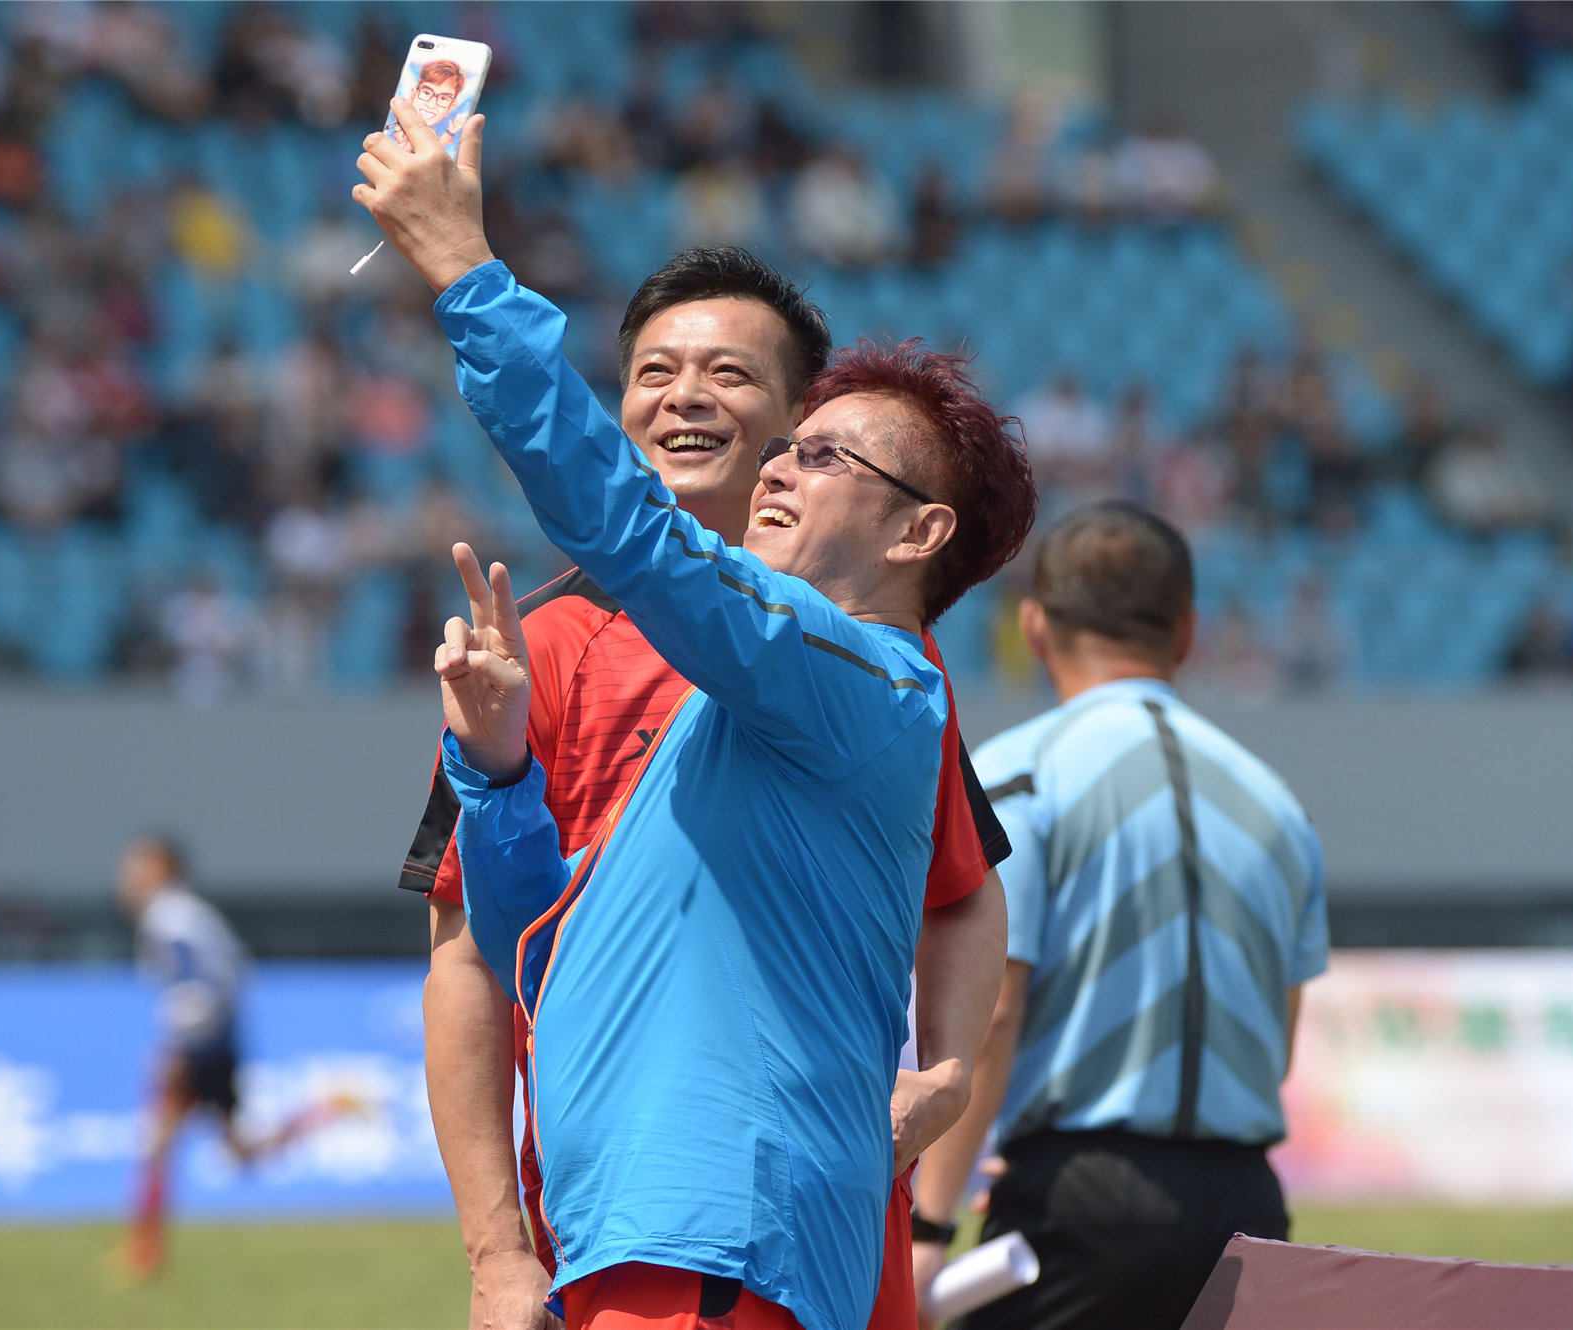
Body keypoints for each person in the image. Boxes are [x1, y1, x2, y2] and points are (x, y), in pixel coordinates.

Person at [356, 103, 1038, 1330]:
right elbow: (509, 941)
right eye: (653, 372)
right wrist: (499, 771)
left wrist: (465, 272)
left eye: (811, 449)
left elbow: (967, 888)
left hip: (719, 1236)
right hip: (626, 1227)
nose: (773, 464)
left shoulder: (861, 675)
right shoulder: (622, 656)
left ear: (913, 532)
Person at [911, 503, 1328, 1330]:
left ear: (1034, 627)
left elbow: (995, 1010)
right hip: (1248, 1206)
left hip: (1079, 1203)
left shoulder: (1021, 776)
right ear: (1187, 633)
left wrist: (930, 1224)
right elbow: (1276, 1043)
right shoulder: (1278, 806)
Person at [112, 834, 360, 1280]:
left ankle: (144, 1253)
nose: (128, 877)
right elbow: (230, 974)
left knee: (155, 1145)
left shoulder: (167, 919)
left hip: (198, 1048)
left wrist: (180, 1045)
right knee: (239, 1150)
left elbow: (199, 987)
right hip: (218, 1043)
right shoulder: (192, 915)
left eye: (139, 867)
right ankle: (325, 1110)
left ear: (164, 870)